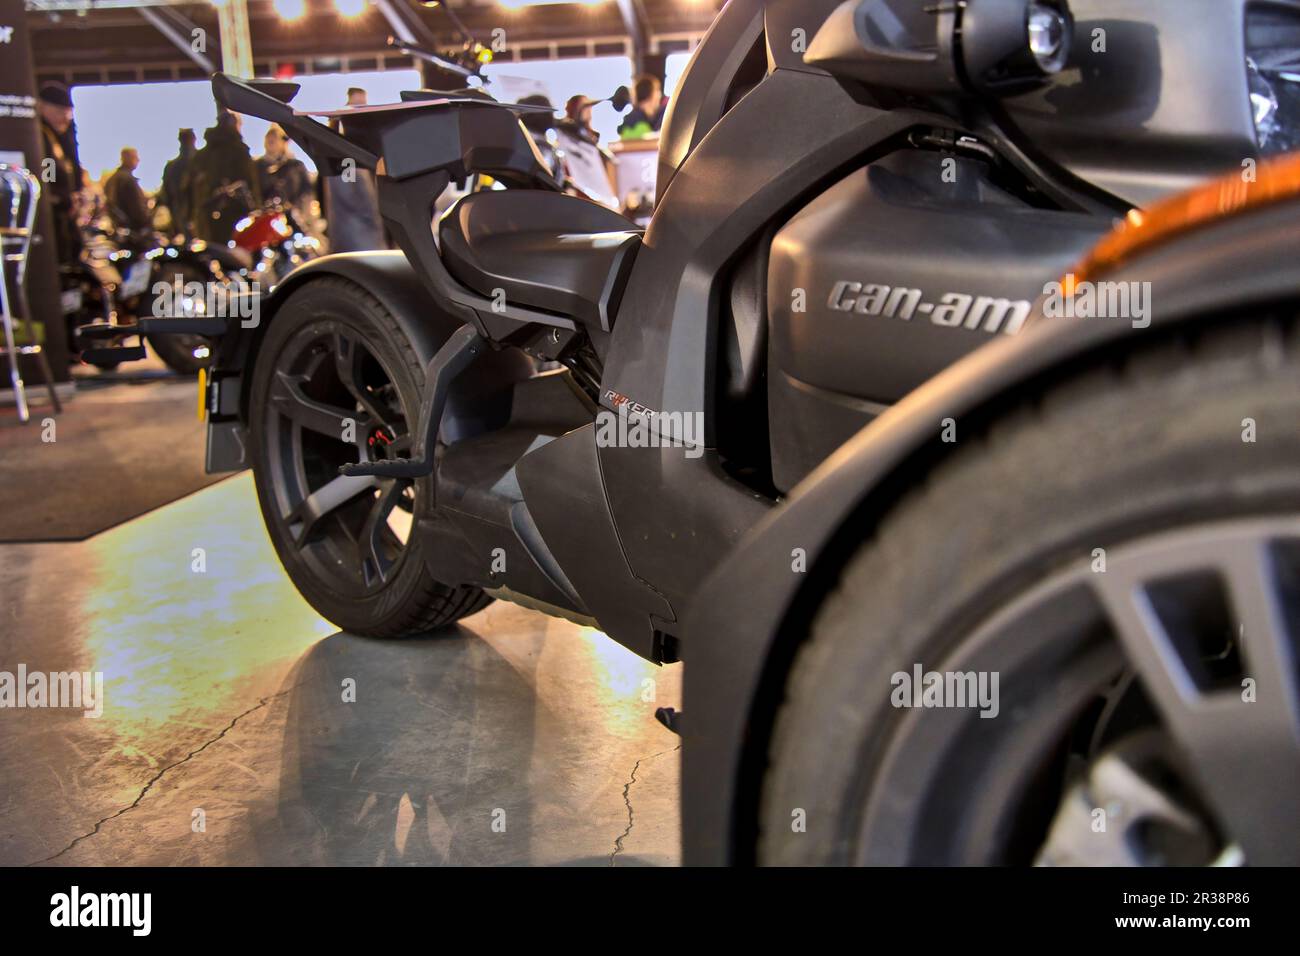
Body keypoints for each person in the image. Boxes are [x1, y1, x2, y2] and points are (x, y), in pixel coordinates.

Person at [322, 88, 385, 252]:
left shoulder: (359, 152)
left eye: (363, 105)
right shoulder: (345, 157)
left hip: (363, 235)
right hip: (356, 238)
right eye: (357, 106)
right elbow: (351, 197)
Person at [186, 110, 261, 244]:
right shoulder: (240, 151)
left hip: (207, 215)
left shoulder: (202, 155)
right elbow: (251, 183)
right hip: (237, 215)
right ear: (236, 125)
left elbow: (189, 188)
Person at [36, 82, 84, 267]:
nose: (65, 119)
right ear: (42, 107)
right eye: (59, 111)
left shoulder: (54, 139)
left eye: (68, 113)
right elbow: (48, 175)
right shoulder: (42, 138)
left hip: (60, 221)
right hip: (53, 223)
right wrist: (59, 197)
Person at [256, 124, 312, 213]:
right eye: (269, 137)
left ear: (283, 142)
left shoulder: (296, 166)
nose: (271, 140)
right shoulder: (257, 165)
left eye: (275, 137)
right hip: (266, 216)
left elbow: (306, 192)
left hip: (293, 216)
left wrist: (297, 210)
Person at [158, 129, 197, 239]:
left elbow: (165, 196)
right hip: (199, 216)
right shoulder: (202, 161)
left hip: (178, 216)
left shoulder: (171, 166)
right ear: (194, 139)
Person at [103, 147, 152, 233]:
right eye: (135, 157)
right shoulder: (127, 180)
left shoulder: (112, 179)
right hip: (133, 231)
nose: (138, 160)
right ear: (128, 158)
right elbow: (137, 209)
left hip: (119, 229)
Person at [618, 74, 668, 140]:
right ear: (651, 96)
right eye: (657, 91)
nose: (659, 95)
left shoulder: (661, 116)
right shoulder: (634, 122)